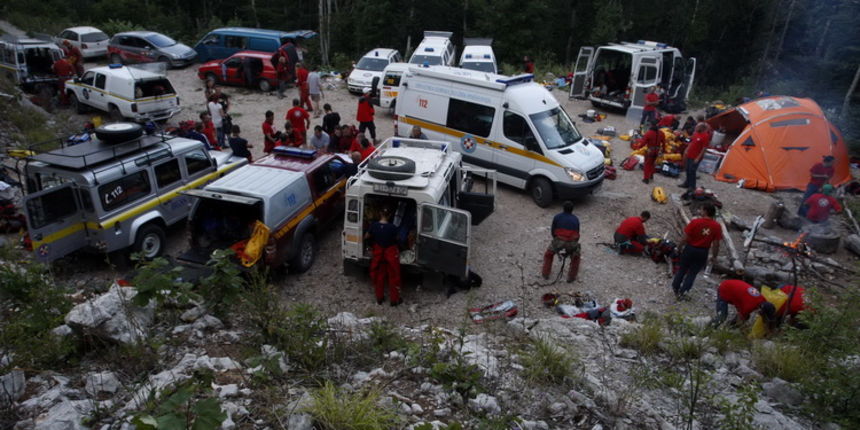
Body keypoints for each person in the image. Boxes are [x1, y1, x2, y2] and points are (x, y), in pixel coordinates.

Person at [672, 204, 722, 300]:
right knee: (692, 273)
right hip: (703, 251)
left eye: (702, 209)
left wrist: (679, 247)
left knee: (682, 269)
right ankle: (684, 292)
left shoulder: (695, 222)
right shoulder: (716, 226)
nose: (700, 211)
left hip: (690, 249)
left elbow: (685, 238)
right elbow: (716, 244)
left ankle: (675, 287)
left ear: (706, 211)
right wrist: (714, 256)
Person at [365, 207, 402, 306]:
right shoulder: (393, 227)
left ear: (380, 213)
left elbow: (366, 236)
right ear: (390, 215)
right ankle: (394, 300)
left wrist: (372, 242)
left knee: (379, 277)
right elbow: (398, 239)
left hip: (379, 255)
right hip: (390, 255)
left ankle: (379, 298)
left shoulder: (374, 226)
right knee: (394, 277)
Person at [541, 201, 581, 283]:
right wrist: (572, 247)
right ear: (572, 210)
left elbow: (553, 231)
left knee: (549, 254)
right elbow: (577, 234)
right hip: (572, 242)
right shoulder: (576, 219)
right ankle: (571, 277)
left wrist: (556, 242)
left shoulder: (557, 217)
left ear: (563, 208)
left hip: (559, 240)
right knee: (576, 257)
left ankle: (545, 274)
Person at [712, 280, 777, 328]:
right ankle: (709, 330)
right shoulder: (749, 306)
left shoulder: (762, 299)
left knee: (745, 317)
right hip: (725, 289)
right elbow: (740, 319)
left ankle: (726, 328)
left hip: (732, 284)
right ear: (761, 310)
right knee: (722, 317)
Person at [679, 124, 711, 190]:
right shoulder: (696, 134)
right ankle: (687, 183)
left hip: (695, 156)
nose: (695, 128)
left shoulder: (705, 136)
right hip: (689, 154)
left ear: (702, 128)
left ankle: (692, 186)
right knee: (687, 169)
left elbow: (704, 148)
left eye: (697, 127)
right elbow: (691, 142)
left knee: (692, 171)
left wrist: (698, 158)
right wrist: (687, 149)